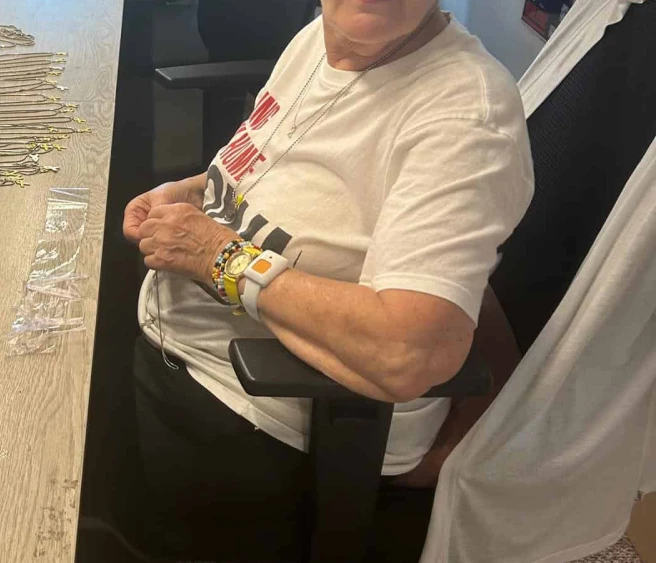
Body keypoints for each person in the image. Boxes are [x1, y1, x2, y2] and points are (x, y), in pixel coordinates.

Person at [122, 0, 535, 561]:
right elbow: (270, 172)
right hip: (180, 344)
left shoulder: (466, 116)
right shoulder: (323, 37)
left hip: (259, 420)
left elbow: (405, 350)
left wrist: (216, 255)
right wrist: (195, 191)